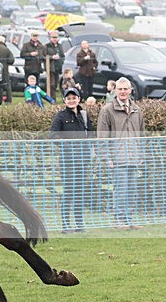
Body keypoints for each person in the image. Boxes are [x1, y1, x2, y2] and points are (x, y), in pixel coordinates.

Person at [97, 77, 145, 229]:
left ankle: (129, 219)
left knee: (132, 190)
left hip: (134, 156)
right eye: (120, 89)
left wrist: (141, 154)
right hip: (117, 158)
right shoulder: (107, 110)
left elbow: (142, 134)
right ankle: (118, 220)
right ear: (115, 90)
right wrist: (107, 158)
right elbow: (102, 136)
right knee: (120, 190)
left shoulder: (137, 110)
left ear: (130, 91)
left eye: (126, 89)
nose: (123, 92)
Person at [50, 87, 92, 233]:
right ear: (65, 100)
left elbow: (91, 135)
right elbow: (53, 134)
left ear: (78, 99)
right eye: (68, 98)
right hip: (67, 160)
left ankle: (79, 224)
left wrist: (88, 153)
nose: (71, 100)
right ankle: (66, 224)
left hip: (82, 160)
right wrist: (67, 145)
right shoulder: (60, 116)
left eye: (74, 98)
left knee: (80, 192)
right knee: (69, 192)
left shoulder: (84, 115)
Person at [44, 31, 65, 101]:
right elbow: (43, 56)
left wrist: (60, 59)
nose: (54, 39)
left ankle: (53, 98)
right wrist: (52, 57)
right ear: (50, 38)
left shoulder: (60, 46)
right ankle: (52, 99)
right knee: (51, 84)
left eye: (56, 37)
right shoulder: (47, 46)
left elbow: (63, 56)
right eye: (53, 37)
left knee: (55, 84)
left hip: (58, 67)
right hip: (50, 67)